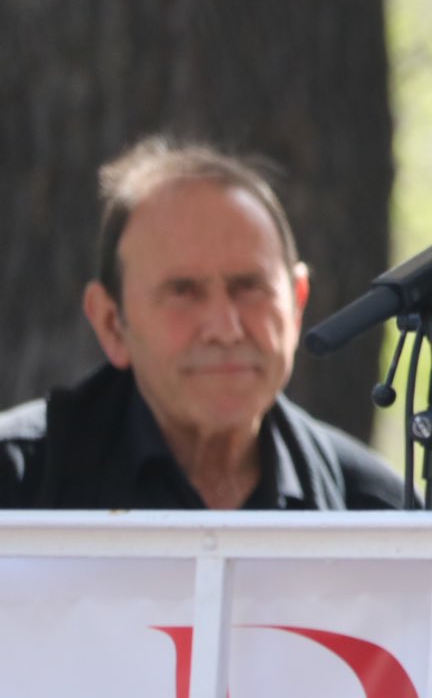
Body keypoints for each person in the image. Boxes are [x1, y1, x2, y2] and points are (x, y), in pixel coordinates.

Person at [0, 137, 407, 510]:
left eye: (249, 286)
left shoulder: (376, 511)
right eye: (183, 292)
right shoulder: (19, 482)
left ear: (297, 302)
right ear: (111, 323)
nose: (225, 328)